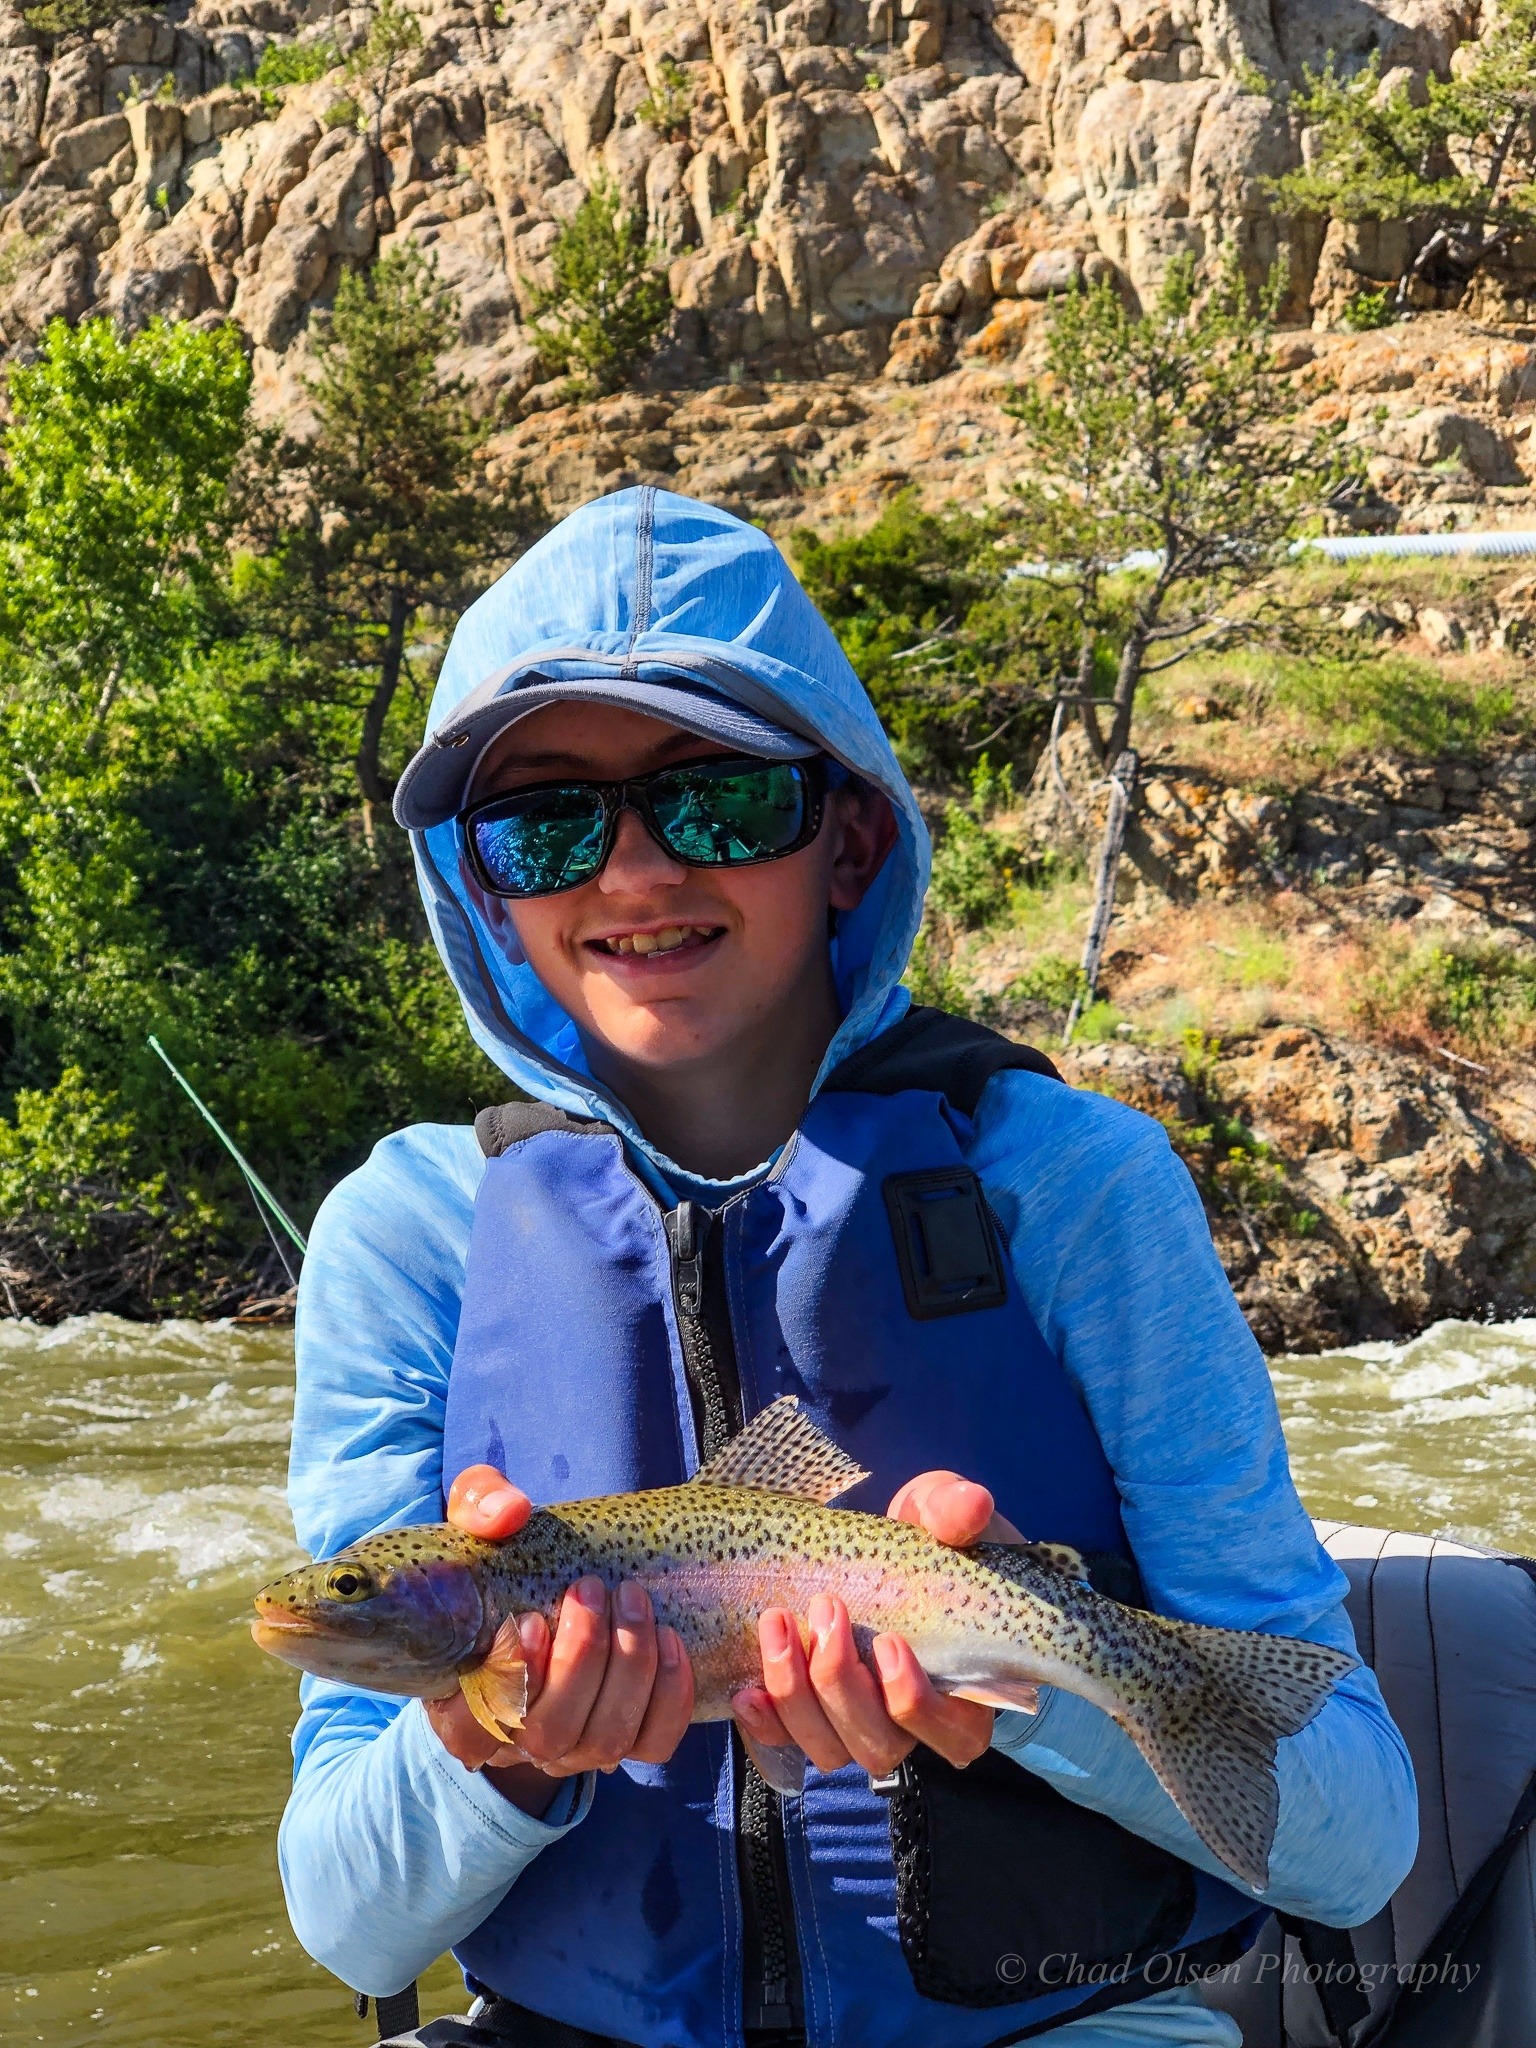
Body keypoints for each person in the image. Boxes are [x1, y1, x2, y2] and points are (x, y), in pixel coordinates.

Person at [279, 486, 1417, 2048]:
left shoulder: (1075, 1187)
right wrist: (503, 1755)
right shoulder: (406, 1236)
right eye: (547, 822)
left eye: (720, 800)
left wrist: (1012, 1686)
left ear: (850, 833)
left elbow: (1359, 1849)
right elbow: (342, 1914)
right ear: (484, 886)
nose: (631, 875)